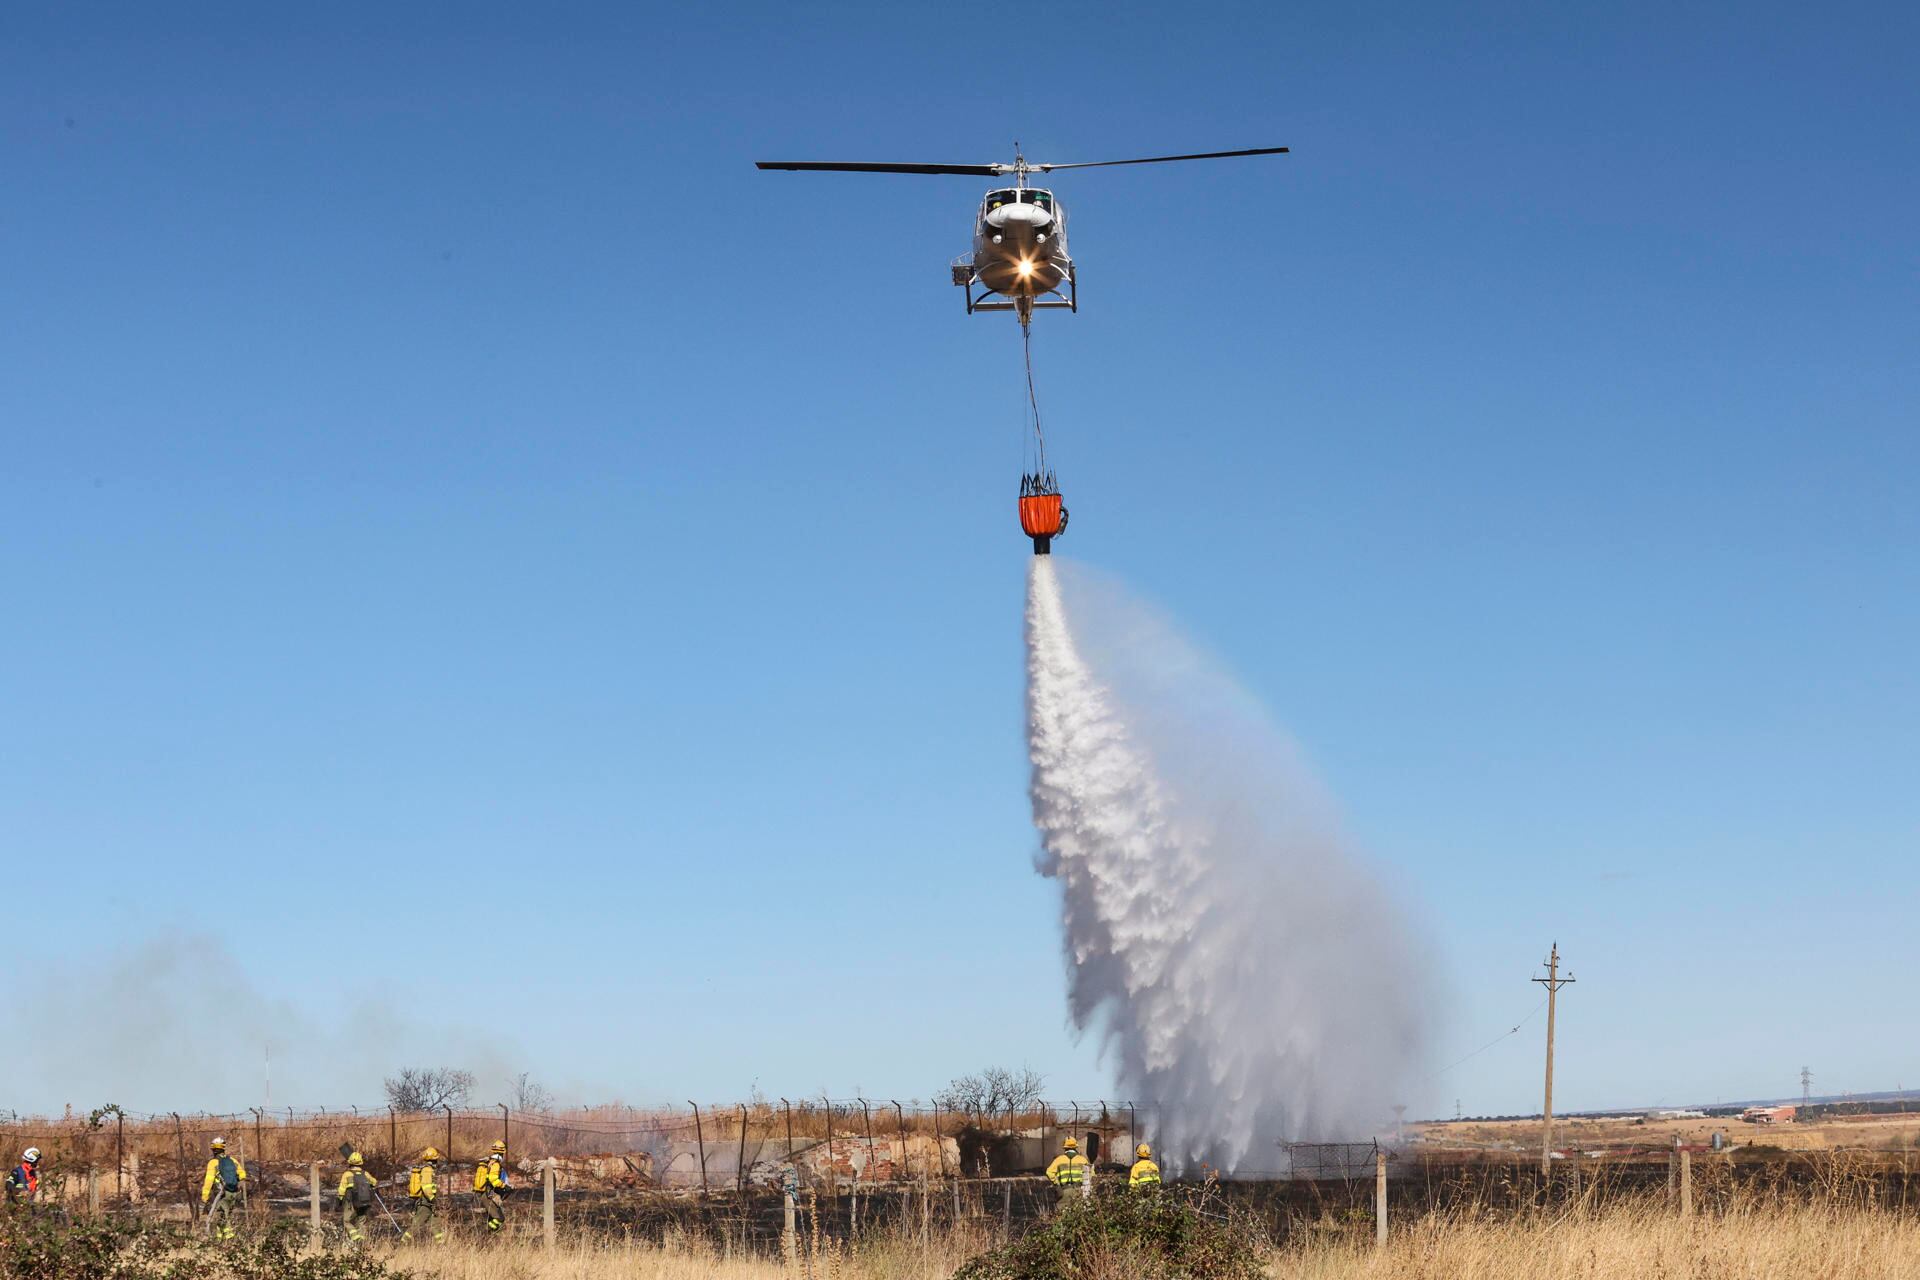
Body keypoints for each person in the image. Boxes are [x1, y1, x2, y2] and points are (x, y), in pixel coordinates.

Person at [200, 1137, 246, 1239]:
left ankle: (223, 1239)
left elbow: (208, 1181)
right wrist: (233, 1180)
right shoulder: (233, 1160)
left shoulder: (213, 1163)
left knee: (219, 1217)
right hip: (233, 1193)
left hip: (221, 1194)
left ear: (213, 1149)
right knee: (226, 1216)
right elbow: (243, 1174)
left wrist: (205, 1196)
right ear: (223, 1148)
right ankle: (225, 1239)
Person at [405, 1147, 445, 1244]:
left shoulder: (429, 1170)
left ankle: (441, 1246)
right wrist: (432, 1199)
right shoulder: (427, 1170)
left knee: (436, 1224)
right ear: (433, 1160)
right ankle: (402, 1244)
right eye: (436, 1159)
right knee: (416, 1225)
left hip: (430, 1203)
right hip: (425, 1203)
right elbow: (426, 1187)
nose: (437, 1161)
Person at [336, 1151, 378, 1243]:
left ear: (350, 1162)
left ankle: (355, 1238)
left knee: (347, 1221)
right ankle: (361, 1241)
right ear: (360, 1162)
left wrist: (340, 1200)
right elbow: (374, 1182)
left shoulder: (347, 1174)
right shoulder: (365, 1174)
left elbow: (342, 1189)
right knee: (361, 1222)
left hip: (351, 1202)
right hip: (365, 1202)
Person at [475, 1140, 509, 1233]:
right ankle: (485, 1233)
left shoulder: (488, 1162)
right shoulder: (495, 1164)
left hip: (485, 1193)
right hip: (488, 1195)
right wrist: (504, 1186)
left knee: (491, 1218)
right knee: (499, 1218)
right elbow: (493, 1178)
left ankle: (491, 1235)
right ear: (502, 1152)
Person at [1044, 1136, 1090, 1201]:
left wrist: (1057, 1185)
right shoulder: (1083, 1160)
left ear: (1065, 1148)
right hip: (1079, 1191)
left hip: (1063, 1191)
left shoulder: (1058, 1160)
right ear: (1075, 1147)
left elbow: (1049, 1172)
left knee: (1062, 1207)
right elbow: (1091, 1174)